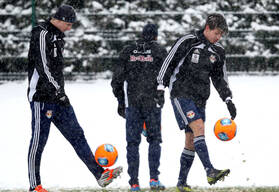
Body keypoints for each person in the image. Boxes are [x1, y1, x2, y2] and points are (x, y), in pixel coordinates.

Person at [27, 5, 122, 192]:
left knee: (77, 135)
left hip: (58, 97)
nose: (70, 29)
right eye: (68, 24)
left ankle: (100, 175)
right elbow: (43, 66)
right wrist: (57, 90)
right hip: (41, 97)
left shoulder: (58, 36)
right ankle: (34, 186)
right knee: (39, 141)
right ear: (59, 19)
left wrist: (61, 93)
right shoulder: (41, 33)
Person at [155, 14, 237, 192]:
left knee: (191, 140)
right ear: (207, 27)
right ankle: (210, 170)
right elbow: (168, 63)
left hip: (200, 98)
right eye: (217, 33)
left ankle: (181, 183)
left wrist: (228, 99)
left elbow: (219, 79)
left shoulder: (218, 51)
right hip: (180, 93)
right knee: (199, 127)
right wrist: (160, 88)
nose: (219, 37)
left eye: (221, 35)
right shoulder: (188, 41)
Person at [111, 23, 168, 192]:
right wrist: (161, 94)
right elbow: (167, 77)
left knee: (132, 143)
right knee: (154, 141)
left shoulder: (128, 50)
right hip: (152, 103)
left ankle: (134, 183)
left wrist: (121, 101)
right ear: (156, 36)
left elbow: (116, 81)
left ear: (141, 35)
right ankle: (154, 180)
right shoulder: (159, 51)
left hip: (133, 103)